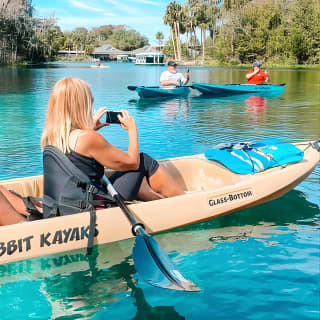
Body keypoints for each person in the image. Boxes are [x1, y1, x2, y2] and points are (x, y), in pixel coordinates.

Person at [41, 77, 185, 204]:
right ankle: (183, 201)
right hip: (96, 204)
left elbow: (77, 158)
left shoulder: (50, 136)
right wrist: (132, 130)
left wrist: (90, 129)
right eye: (89, 101)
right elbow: (132, 163)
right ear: (81, 106)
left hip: (70, 201)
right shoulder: (88, 138)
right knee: (143, 160)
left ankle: (160, 202)